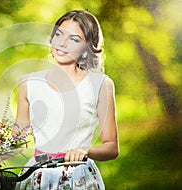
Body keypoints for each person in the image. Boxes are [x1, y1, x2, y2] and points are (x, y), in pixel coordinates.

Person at [14, 10, 119, 189]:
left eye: (74, 39)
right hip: (36, 175)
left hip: (78, 178)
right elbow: (16, 142)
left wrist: (85, 150)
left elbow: (112, 147)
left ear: (87, 48)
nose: (62, 43)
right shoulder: (29, 83)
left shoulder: (100, 84)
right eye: (59, 34)